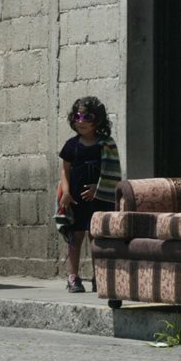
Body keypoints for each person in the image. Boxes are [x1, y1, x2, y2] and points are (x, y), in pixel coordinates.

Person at [55, 97, 122, 293]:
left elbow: (111, 173)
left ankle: (97, 277)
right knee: (75, 237)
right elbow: (64, 171)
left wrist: (98, 188)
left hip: (98, 200)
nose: (81, 121)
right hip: (75, 200)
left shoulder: (106, 145)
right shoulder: (71, 145)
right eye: (77, 117)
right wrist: (66, 193)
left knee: (96, 237)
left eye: (87, 117)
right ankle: (73, 277)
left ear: (97, 120)